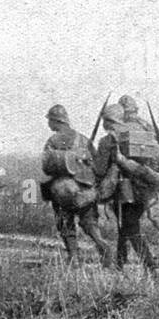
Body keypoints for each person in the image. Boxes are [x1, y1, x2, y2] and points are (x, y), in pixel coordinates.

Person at [94, 103, 159, 272]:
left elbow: (100, 169)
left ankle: (150, 266)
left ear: (108, 120)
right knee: (125, 226)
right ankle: (120, 262)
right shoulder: (139, 135)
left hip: (124, 190)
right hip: (144, 187)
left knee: (130, 227)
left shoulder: (108, 140)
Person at [41, 104, 111, 265]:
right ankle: (103, 245)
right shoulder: (84, 139)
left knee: (65, 222)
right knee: (89, 222)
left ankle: (73, 257)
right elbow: (97, 167)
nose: (48, 124)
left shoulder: (53, 140)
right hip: (86, 190)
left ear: (55, 121)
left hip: (63, 190)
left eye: (49, 121)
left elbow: (46, 167)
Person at [119, 94, 159, 254]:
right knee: (156, 216)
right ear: (135, 110)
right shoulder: (147, 125)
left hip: (130, 179)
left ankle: (122, 258)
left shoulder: (121, 127)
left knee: (126, 220)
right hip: (151, 176)